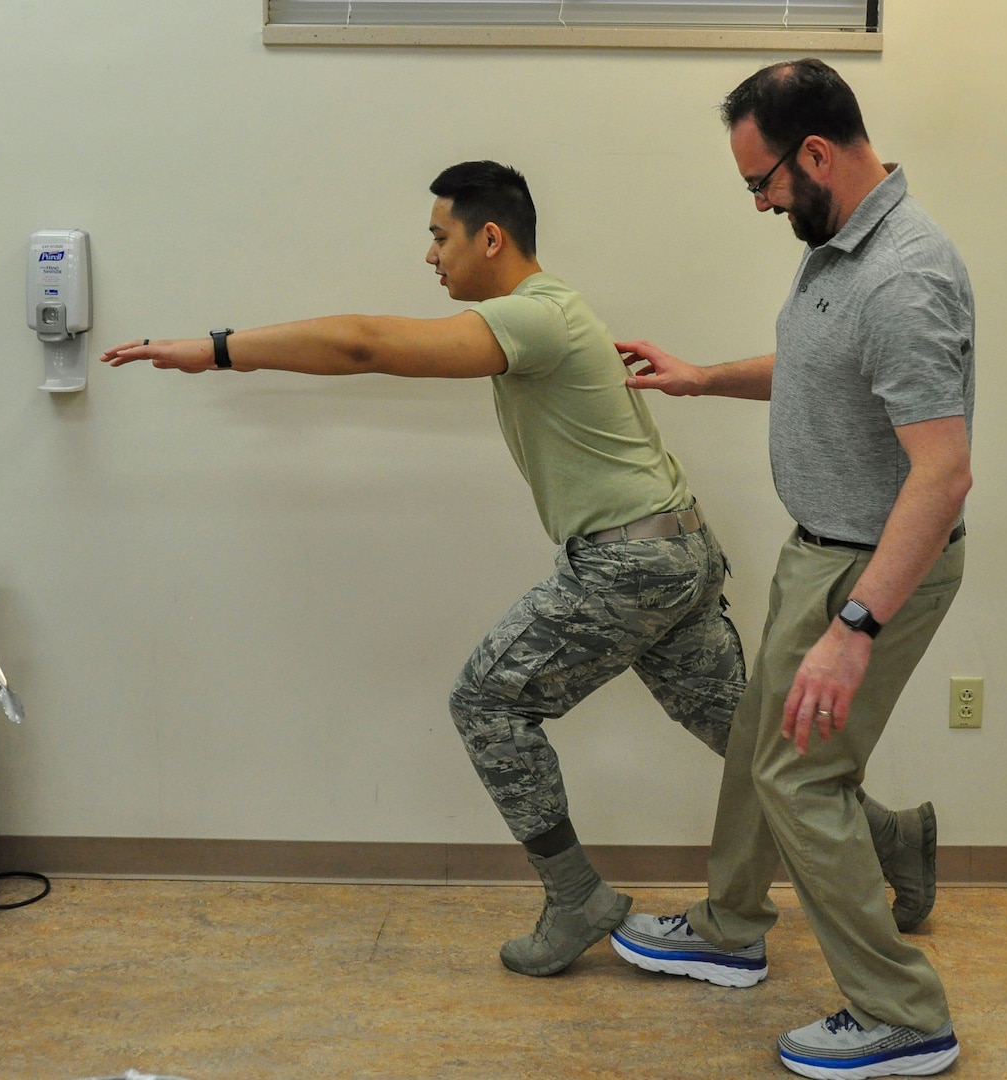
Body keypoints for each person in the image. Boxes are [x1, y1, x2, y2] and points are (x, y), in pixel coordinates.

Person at [98, 160, 935, 982]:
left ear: (489, 236)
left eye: (439, 236)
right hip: (672, 551)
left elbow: (363, 344)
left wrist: (214, 349)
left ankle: (574, 897)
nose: (430, 256)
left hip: (630, 564)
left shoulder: (536, 316)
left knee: (486, 701)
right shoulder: (548, 313)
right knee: (747, 742)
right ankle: (892, 838)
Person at [608, 61, 975, 1079]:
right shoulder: (836, 247)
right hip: (822, 550)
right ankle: (731, 927)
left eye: (762, 182)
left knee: (802, 775)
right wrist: (704, 376)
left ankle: (904, 1015)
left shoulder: (903, 273)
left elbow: (942, 477)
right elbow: (822, 367)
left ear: (816, 154)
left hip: (872, 569)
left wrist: (854, 630)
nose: (762, 202)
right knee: (757, 744)